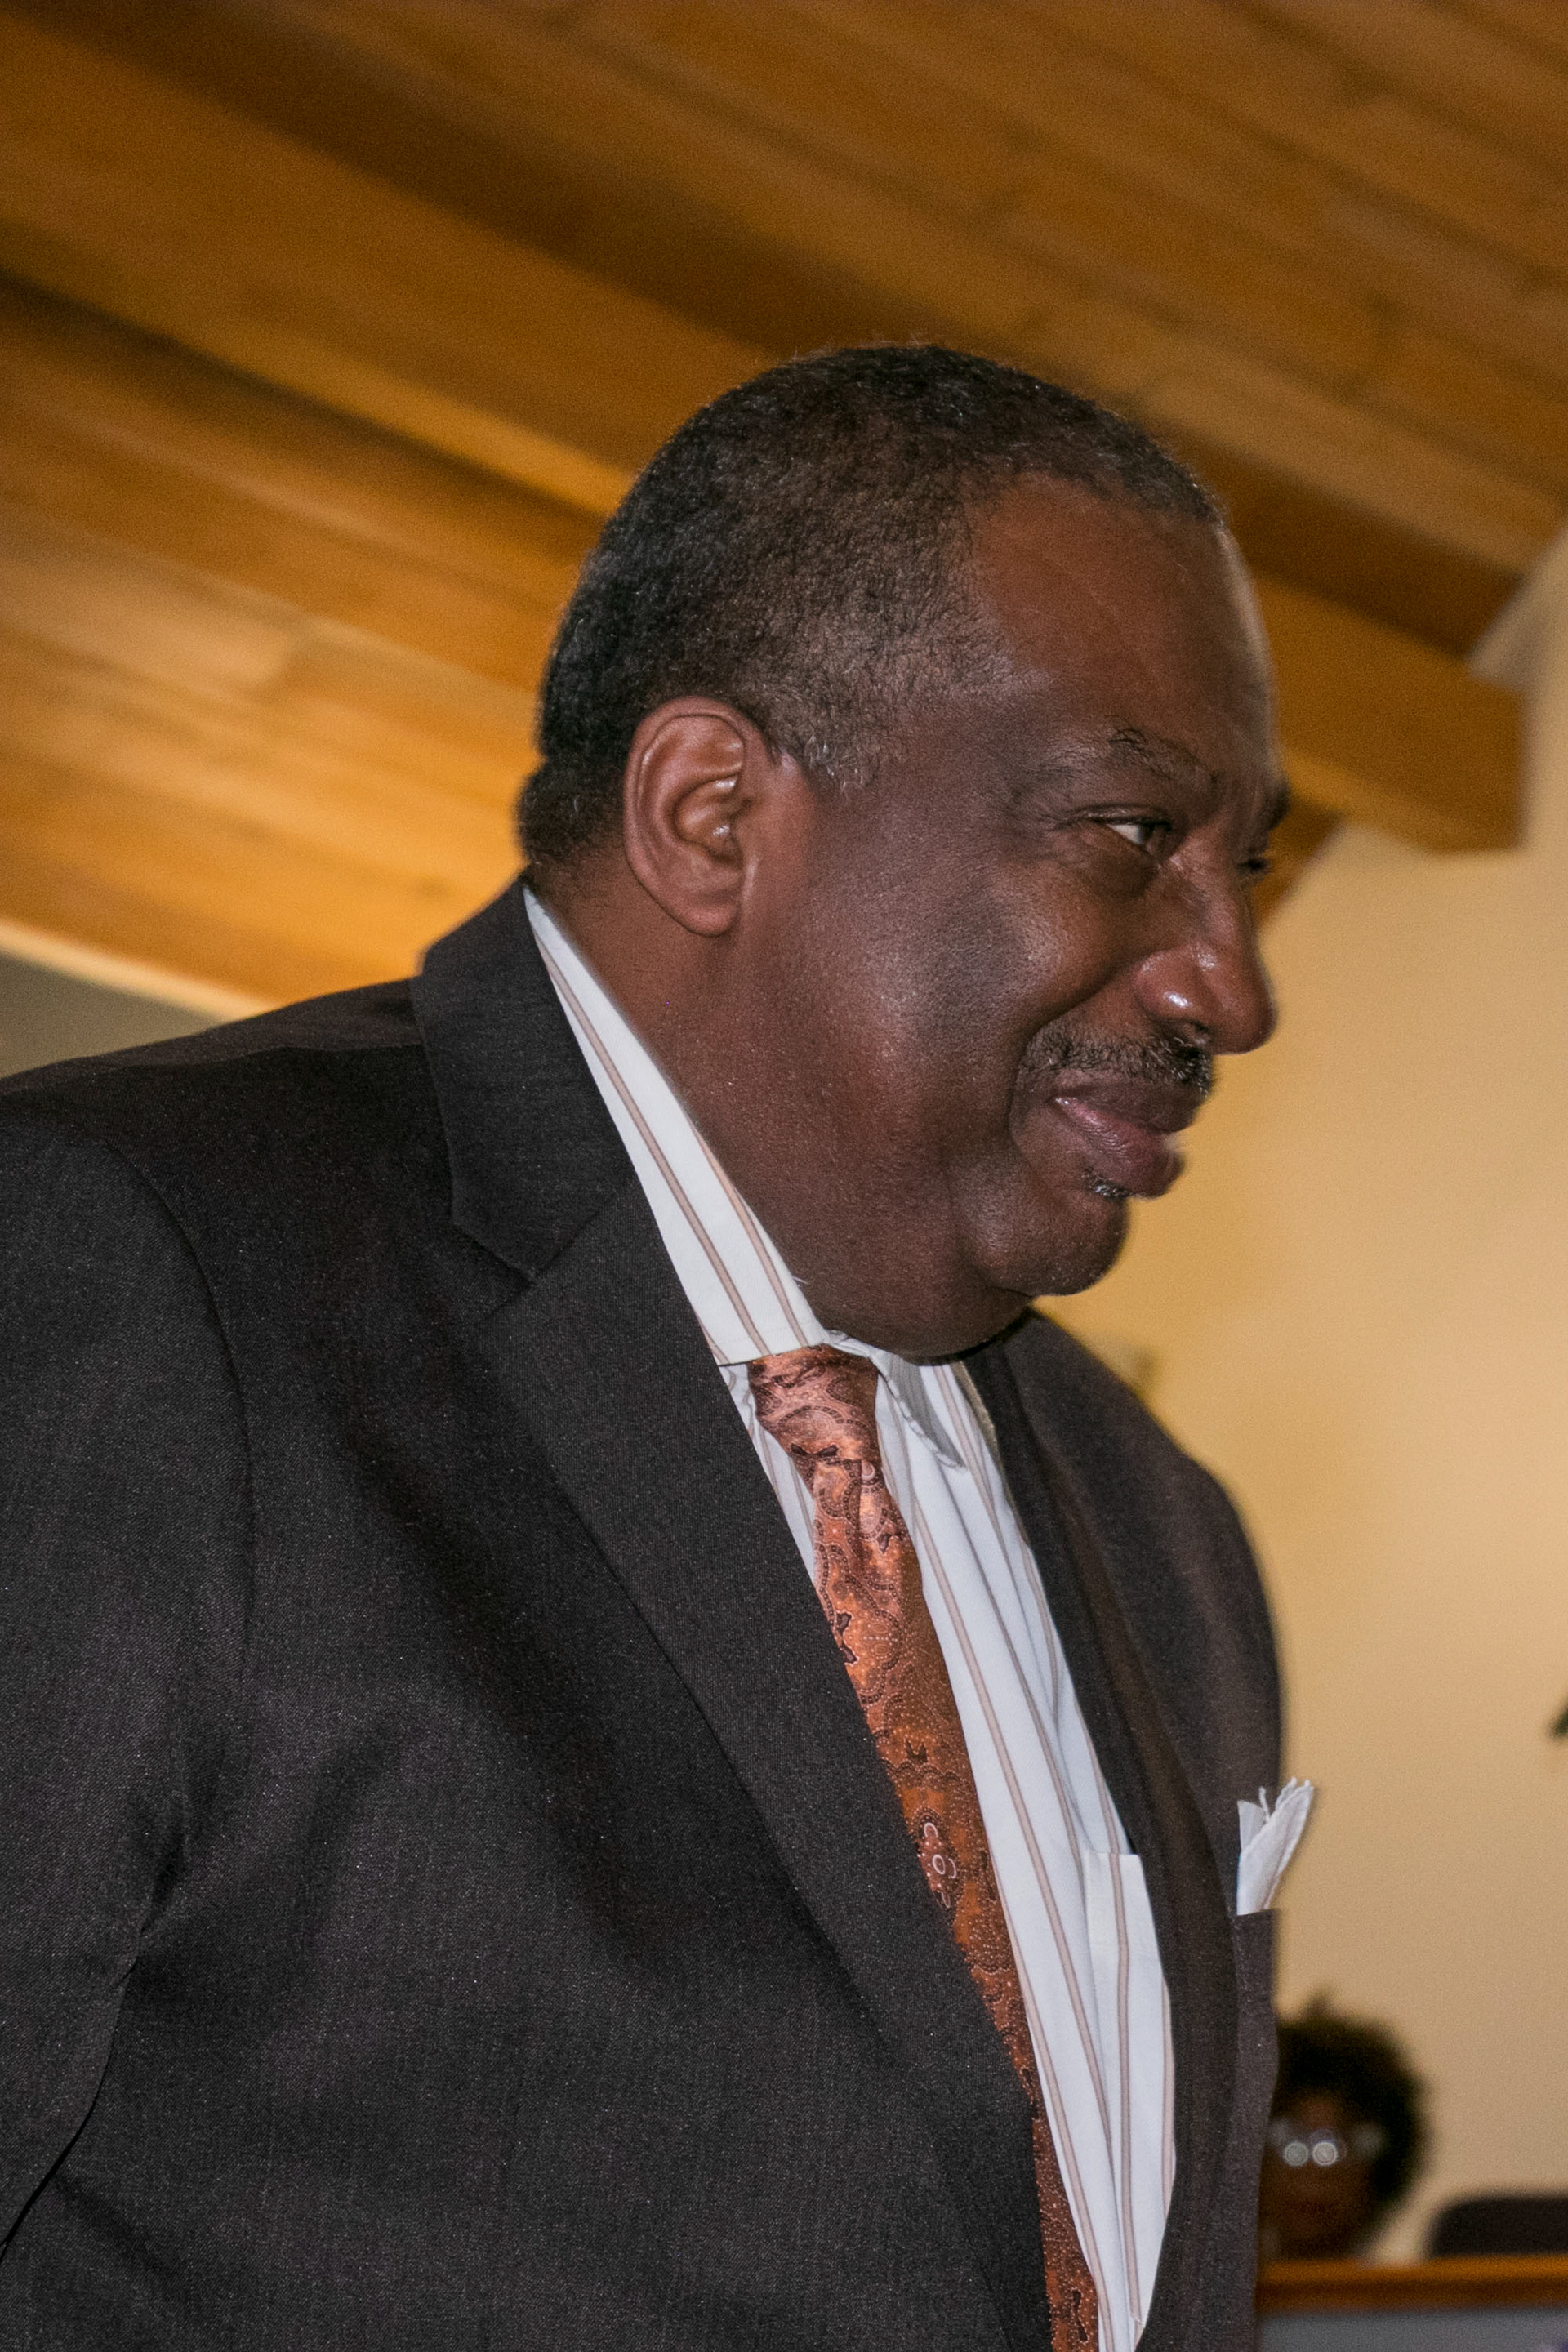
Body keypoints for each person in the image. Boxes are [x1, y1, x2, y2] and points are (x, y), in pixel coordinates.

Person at [1, 346, 1288, 2352]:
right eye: (1133, 833)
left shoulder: (1166, 1535)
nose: (1232, 985)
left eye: (1244, 868)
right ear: (711, 815)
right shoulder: (129, 1272)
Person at [1259, 1999, 1428, 2261]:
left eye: (1338, 2146)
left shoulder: (1425, 2290)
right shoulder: (1204, 2287)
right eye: (1289, 2140)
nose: (1313, 2171)